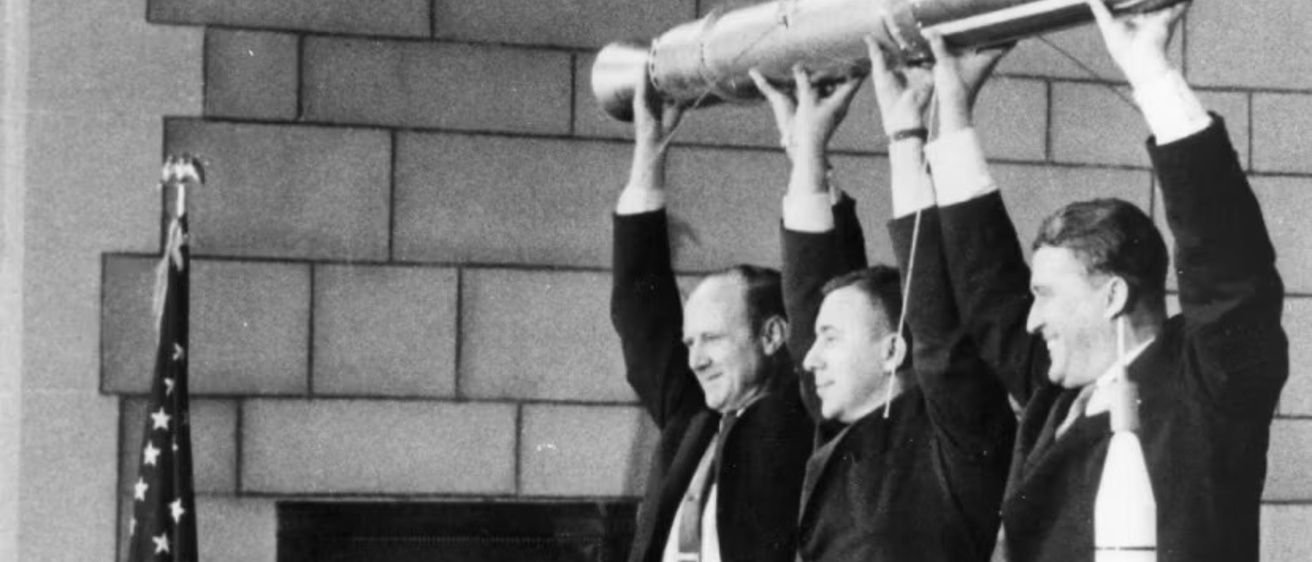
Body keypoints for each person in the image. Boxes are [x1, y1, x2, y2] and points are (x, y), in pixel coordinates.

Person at [926, 2, 1289, 560]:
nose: (1031, 318)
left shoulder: (1209, 387)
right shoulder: (1059, 392)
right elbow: (987, 289)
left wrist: (1148, 69)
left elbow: (1229, 268)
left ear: (1113, 294)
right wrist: (951, 110)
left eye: (1046, 295)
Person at [747, 35, 1016, 562]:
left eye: (830, 339)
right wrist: (808, 155)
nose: (809, 356)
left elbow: (935, 315)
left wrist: (906, 135)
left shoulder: (954, 432)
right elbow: (808, 290)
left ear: (893, 351)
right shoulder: (845, 427)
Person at [610, 67, 815, 562]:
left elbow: (817, 279)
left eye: (713, 339)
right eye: (690, 343)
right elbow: (641, 305)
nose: (695, 359)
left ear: (773, 335)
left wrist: (808, 150)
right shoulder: (695, 414)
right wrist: (649, 148)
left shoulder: (808, 419)